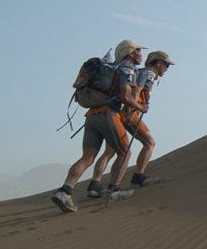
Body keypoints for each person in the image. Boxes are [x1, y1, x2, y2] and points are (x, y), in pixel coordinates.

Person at [50, 39, 150, 213]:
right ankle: (114, 190)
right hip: (108, 114)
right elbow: (126, 96)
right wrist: (140, 107)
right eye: (139, 51)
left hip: (91, 116)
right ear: (130, 52)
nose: (141, 55)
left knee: (87, 158)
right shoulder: (127, 68)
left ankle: (65, 190)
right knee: (124, 151)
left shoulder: (113, 67)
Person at [87, 49, 175, 197]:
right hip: (129, 113)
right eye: (166, 65)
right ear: (158, 63)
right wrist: (133, 110)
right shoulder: (149, 73)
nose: (167, 69)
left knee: (110, 151)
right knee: (149, 142)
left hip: (118, 112)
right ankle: (137, 177)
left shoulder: (140, 71)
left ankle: (94, 183)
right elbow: (136, 91)